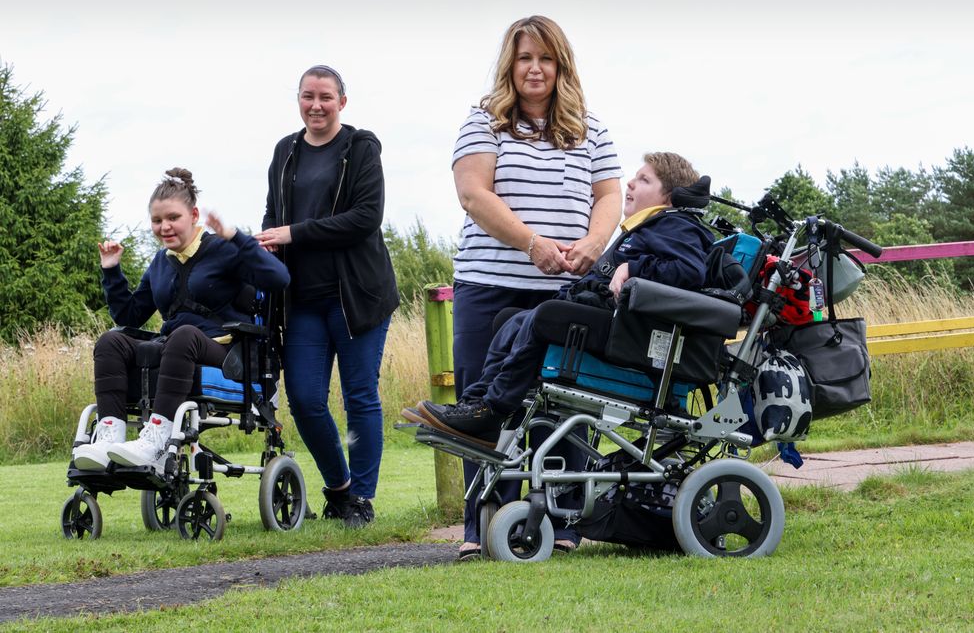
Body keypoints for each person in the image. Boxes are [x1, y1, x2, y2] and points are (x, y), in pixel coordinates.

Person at [449, 15, 624, 559]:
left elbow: (610, 198)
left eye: (545, 58)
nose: (535, 68)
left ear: (560, 66)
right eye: (525, 57)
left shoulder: (592, 130)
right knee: (485, 401)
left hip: (566, 291)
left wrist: (594, 245)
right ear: (511, 64)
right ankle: (485, 527)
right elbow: (474, 194)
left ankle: (563, 523)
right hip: (490, 285)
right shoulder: (483, 122)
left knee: (569, 403)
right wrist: (532, 243)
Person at [406, 152, 713, 456]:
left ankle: (494, 409)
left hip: (634, 335)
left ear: (670, 198)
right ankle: (476, 406)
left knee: (546, 316)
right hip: (611, 318)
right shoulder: (648, 228)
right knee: (511, 319)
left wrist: (632, 269)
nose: (630, 183)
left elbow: (689, 272)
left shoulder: (678, 225)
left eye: (644, 179)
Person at [255, 65, 399, 529]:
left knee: (360, 396)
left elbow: (365, 218)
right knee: (305, 400)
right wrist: (269, 241)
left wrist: (294, 233)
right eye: (307, 96)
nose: (316, 105)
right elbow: (273, 213)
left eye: (325, 97)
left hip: (356, 296)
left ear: (342, 101)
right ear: (298, 99)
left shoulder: (361, 148)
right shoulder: (285, 150)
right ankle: (338, 489)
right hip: (302, 301)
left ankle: (362, 498)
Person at [72, 168, 290, 473]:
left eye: (173, 218)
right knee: (111, 341)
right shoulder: (162, 262)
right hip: (177, 350)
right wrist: (112, 271)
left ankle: (156, 438)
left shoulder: (223, 249)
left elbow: (279, 278)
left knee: (184, 335)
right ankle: (109, 437)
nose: (165, 227)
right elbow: (129, 315)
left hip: (228, 355)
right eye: (157, 220)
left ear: (194, 214)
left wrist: (236, 237)